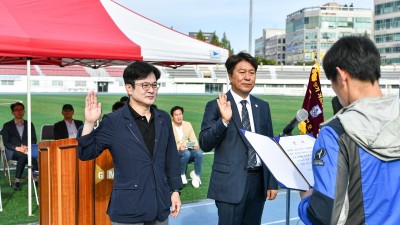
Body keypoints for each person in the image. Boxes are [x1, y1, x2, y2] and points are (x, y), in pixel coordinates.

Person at [298, 36, 400, 224]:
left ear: (341, 75)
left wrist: (306, 200)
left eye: (332, 84)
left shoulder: (335, 133)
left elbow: (325, 216)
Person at [77, 61, 182, 225]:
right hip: (129, 209)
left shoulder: (163, 118)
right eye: (145, 85)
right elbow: (86, 153)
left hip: (159, 206)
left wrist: (175, 191)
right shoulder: (113, 121)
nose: (151, 90)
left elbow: (171, 157)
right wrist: (89, 123)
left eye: (154, 85)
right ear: (129, 88)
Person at [199, 51, 278, 225]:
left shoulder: (262, 106)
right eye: (242, 72)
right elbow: (204, 143)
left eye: (252, 72)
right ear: (230, 75)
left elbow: (269, 146)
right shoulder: (215, 105)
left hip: (258, 184)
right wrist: (224, 121)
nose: (248, 77)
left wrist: (271, 182)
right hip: (229, 184)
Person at [1, 102, 38, 191]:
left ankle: (36, 178)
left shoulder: (29, 124)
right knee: (25, 156)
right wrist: (18, 148)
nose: (19, 112)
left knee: (32, 158)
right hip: (12, 151)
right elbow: (6, 143)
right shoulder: (7, 125)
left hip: (26, 149)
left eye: (21, 109)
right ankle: (17, 181)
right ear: (12, 112)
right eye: (16, 110)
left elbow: (33, 139)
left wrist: (26, 147)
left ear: (24, 111)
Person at [170, 106, 203, 188]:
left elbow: (194, 139)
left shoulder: (187, 124)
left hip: (186, 150)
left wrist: (194, 145)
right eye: (176, 115)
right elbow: (169, 143)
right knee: (186, 153)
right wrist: (179, 147)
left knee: (198, 153)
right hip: (175, 153)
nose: (179, 116)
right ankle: (181, 174)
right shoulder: (169, 126)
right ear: (172, 117)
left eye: (180, 114)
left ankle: (196, 175)